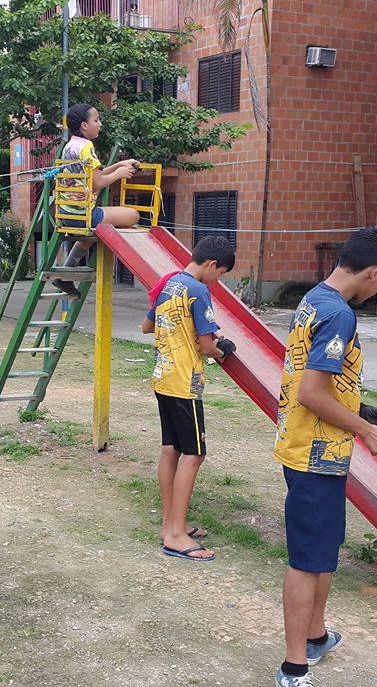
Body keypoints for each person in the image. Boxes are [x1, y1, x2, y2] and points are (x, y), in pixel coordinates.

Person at [273, 227, 377, 687]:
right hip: (314, 451)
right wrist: (366, 429)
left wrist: (360, 410)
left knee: (323, 551)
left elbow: (319, 379)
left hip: (310, 446)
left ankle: (316, 635)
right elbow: (312, 392)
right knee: (308, 558)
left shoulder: (314, 298)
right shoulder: (339, 315)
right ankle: (293, 666)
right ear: (373, 272)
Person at [138, 236, 237, 562]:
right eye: (220, 273)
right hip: (184, 383)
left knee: (172, 449)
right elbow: (207, 347)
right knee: (194, 455)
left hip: (163, 377)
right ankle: (177, 536)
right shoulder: (198, 289)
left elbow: (146, 326)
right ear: (211, 264)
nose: (217, 280)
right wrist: (222, 347)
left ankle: (170, 526)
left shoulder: (168, 284)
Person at [51, 103, 144, 297]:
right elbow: (97, 183)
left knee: (87, 239)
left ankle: (65, 275)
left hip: (68, 213)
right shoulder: (86, 147)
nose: (99, 124)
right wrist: (119, 174)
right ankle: (68, 274)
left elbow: (95, 175)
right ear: (85, 125)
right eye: (96, 120)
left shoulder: (71, 145)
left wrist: (119, 164)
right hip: (84, 214)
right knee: (134, 215)